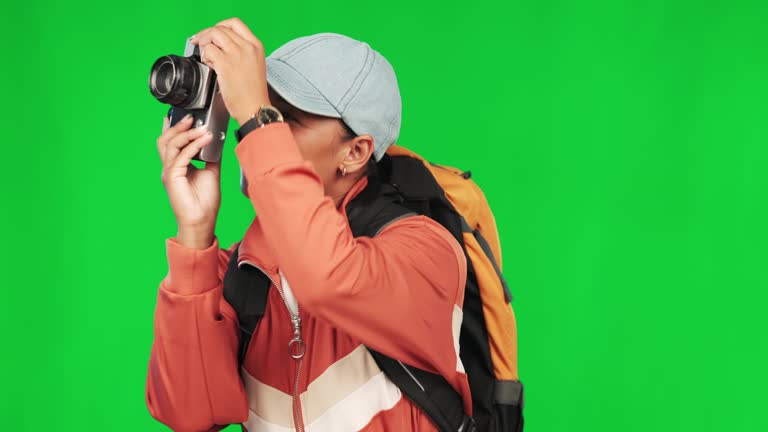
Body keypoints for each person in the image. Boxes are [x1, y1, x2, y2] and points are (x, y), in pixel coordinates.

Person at [147, 17, 470, 432]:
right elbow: (189, 413)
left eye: (285, 119)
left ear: (355, 152)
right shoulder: (241, 273)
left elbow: (328, 277)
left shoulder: (425, 253)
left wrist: (258, 118)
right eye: (260, 112)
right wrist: (195, 236)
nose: (254, 133)